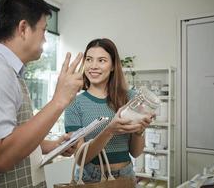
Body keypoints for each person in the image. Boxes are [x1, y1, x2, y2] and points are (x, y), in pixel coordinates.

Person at [0, 0, 83, 188]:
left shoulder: (9, 72)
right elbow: (0, 157)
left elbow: (13, 136)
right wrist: (59, 100)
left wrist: (54, 145)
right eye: (43, 30)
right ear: (23, 28)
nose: (45, 39)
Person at [64, 38, 153, 183]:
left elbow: (135, 153)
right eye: (89, 59)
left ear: (112, 66)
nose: (93, 66)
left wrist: (139, 130)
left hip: (126, 175)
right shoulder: (74, 102)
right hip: (89, 178)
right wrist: (109, 130)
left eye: (101, 60)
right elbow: (81, 158)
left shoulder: (130, 98)